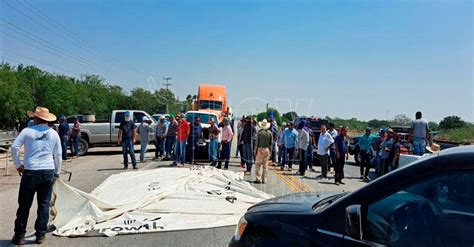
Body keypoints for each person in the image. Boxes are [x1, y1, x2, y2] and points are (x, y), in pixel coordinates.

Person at [11, 107, 62, 245]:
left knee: (24, 205)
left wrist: (18, 165)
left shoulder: (27, 131)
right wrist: (57, 171)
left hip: (30, 172)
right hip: (47, 171)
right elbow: (58, 155)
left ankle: (20, 236)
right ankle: (40, 235)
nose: (32, 119)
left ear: (37, 118)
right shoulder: (53, 133)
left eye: (34, 117)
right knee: (44, 204)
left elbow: (14, 147)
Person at [254, 119, 273, 183]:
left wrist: (255, 151)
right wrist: (271, 151)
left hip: (260, 149)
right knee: (265, 166)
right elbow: (271, 144)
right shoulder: (270, 133)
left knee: (258, 165)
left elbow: (257, 143)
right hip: (267, 149)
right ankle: (264, 179)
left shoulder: (259, 133)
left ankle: (258, 178)